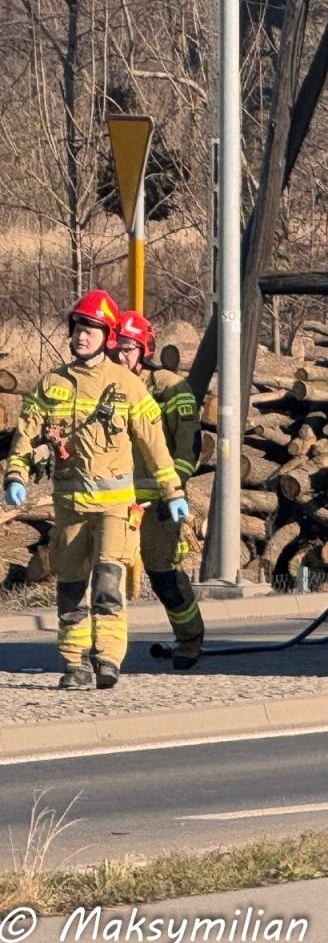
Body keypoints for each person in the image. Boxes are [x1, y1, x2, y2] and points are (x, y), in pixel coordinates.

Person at [2, 291, 187, 690]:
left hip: (116, 508)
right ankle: (73, 664)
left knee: (107, 582)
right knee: (70, 587)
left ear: (107, 335)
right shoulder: (52, 384)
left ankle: (107, 658)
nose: (82, 335)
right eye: (78, 327)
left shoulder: (127, 386)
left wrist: (172, 492)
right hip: (69, 508)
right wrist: (15, 474)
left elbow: (154, 444)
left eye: (92, 329)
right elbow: (27, 432)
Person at [113, 311, 205, 668]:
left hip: (158, 502)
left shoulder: (169, 387)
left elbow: (188, 446)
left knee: (164, 574)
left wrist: (174, 492)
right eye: (116, 349)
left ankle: (189, 640)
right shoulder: (106, 386)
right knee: (105, 573)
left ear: (143, 350)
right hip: (115, 498)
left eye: (128, 349)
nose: (120, 356)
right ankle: (105, 651)